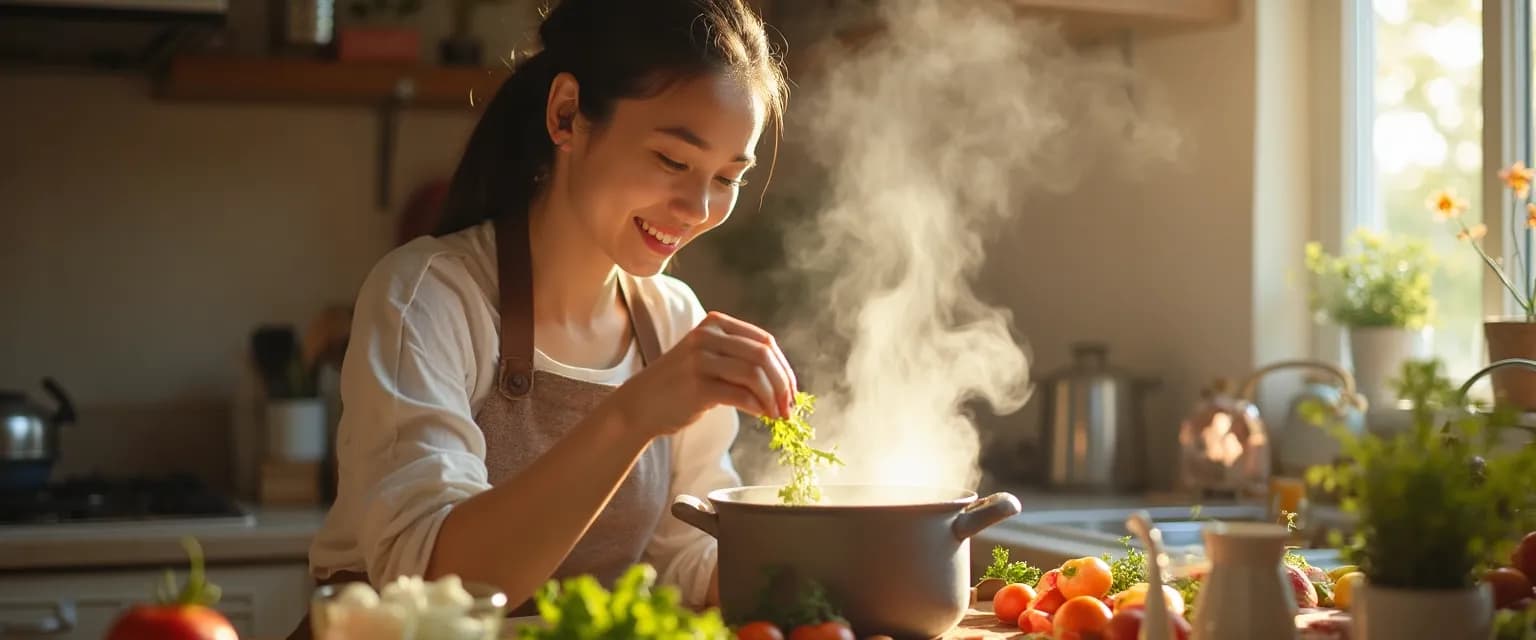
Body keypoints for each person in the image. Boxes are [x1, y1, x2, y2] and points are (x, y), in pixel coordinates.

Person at [302, 0, 794, 623]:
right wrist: (633, 413)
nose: (699, 207)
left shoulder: (670, 320)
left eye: (728, 177)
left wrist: (827, 550)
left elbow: (685, 559)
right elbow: (430, 586)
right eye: (673, 160)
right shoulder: (430, 295)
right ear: (567, 115)